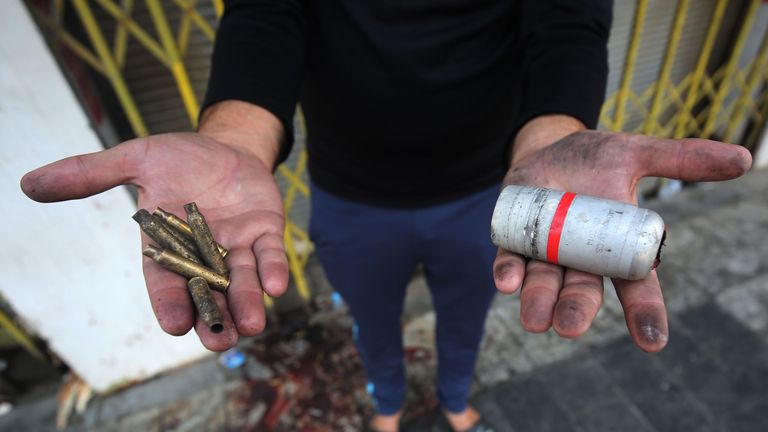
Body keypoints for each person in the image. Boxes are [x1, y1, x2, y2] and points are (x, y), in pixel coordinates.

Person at [21, 1, 752, 431]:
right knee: (372, 323)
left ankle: (460, 403)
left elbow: (567, 23)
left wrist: (555, 136)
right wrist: (235, 142)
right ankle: (389, 406)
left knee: (467, 315)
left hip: (490, 196)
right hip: (351, 199)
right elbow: (265, 14)